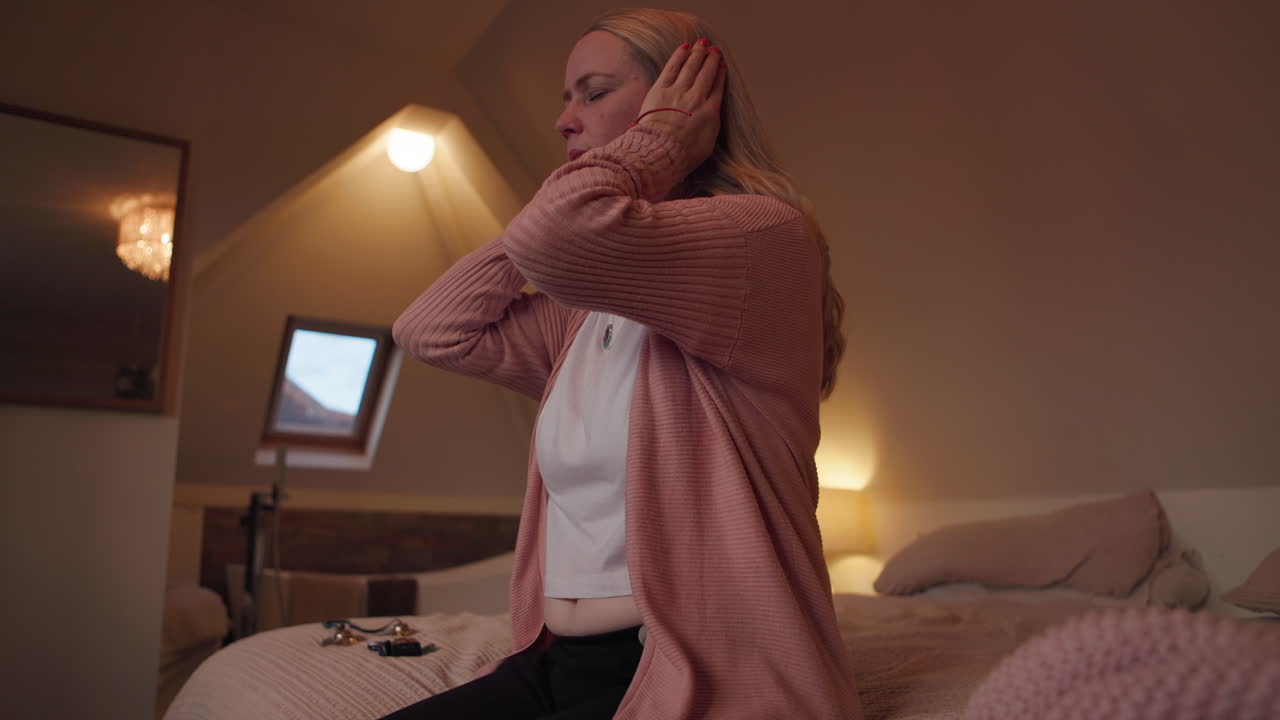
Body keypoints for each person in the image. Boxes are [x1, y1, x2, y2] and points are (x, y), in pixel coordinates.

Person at [386, 7, 862, 719]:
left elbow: (554, 236)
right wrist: (570, 203)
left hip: (699, 668)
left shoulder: (763, 240)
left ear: (687, 99)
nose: (563, 121)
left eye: (595, 92)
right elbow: (430, 329)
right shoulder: (582, 313)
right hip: (558, 664)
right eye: (566, 98)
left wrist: (655, 145)